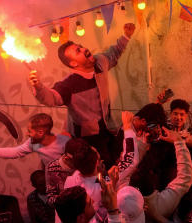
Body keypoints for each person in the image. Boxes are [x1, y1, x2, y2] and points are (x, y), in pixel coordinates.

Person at [28, 22, 136, 163]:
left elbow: (113, 53)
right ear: (73, 64)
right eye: (78, 51)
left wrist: (126, 36)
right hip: (88, 139)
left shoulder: (99, 62)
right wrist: (38, 87)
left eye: (80, 47)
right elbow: (52, 98)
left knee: (117, 163)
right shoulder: (68, 84)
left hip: (108, 128)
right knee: (101, 170)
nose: (83, 49)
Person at [0, 112, 70, 169]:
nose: (27, 134)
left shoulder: (66, 143)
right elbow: (15, 152)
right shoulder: (34, 143)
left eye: (29, 131)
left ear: (40, 132)